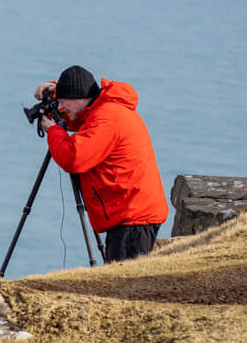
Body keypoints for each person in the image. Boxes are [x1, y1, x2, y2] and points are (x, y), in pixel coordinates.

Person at [33, 65, 168, 262]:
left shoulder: (107, 118)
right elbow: (78, 119)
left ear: (79, 97)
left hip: (132, 217)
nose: (60, 108)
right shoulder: (101, 108)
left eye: (62, 102)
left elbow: (73, 158)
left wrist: (53, 131)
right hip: (130, 211)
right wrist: (55, 92)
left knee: (123, 280)